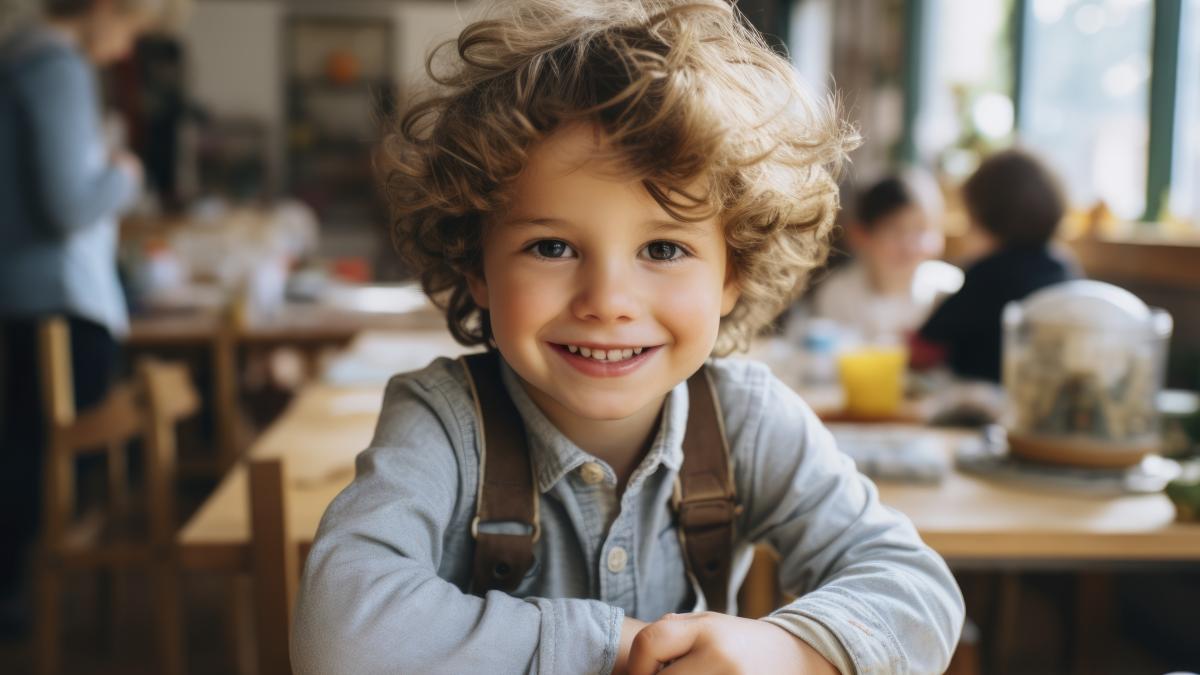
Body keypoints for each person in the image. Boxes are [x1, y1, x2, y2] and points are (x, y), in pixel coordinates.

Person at [292, 2, 964, 673]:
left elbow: (919, 589)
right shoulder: (443, 422)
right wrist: (619, 646)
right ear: (477, 267)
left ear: (734, 272)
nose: (608, 302)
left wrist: (789, 649)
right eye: (551, 246)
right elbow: (340, 634)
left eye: (665, 249)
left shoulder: (748, 420)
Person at [0, 0, 166, 636]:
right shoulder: (56, 65)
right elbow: (68, 206)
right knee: (45, 455)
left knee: (25, 445)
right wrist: (123, 174)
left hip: (25, 294)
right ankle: (23, 605)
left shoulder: (21, 56)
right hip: (58, 297)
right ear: (104, 6)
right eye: (127, 27)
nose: (124, 49)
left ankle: (19, 596)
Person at [913, 149, 1081, 382]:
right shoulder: (1063, 267)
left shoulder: (987, 275)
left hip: (984, 402)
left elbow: (924, 348)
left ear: (982, 221)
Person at [812, 172, 963, 341]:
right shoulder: (838, 295)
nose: (910, 246)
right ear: (860, 235)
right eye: (896, 231)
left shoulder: (949, 290)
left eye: (922, 230)